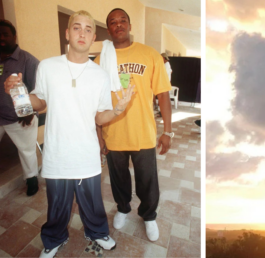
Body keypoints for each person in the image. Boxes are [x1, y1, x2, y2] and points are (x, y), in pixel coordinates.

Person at [4, 10, 135, 258]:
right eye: (77, 27)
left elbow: (99, 116)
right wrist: (18, 92)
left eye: (88, 29)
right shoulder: (48, 66)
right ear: (67, 33)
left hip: (86, 153)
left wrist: (117, 110)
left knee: (93, 203)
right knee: (57, 206)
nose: (82, 33)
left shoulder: (100, 75)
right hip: (57, 152)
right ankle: (54, 238)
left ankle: (97, 232)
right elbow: (40, 103)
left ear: (94, 36)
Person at [95, 8, 173, 242]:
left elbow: (163, 96)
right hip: (114, 131)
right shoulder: (101, 59)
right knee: (118, 178)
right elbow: (95, 102)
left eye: (122, 21)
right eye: (112, 22)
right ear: (108, 28)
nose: (118, 25)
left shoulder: (149, 55)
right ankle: (122, 208)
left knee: (147, 179)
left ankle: (148, 215)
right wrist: (99, 136)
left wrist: (168, 130)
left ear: (129, 25)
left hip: (143, 132)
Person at [0, 19, 40, 196]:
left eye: (5, 34)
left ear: (14, 36)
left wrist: (29, 113)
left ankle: (31, 180)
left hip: (20, 117)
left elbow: (39, 91)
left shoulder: (28, 60)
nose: (1, 38)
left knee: (27, 151)